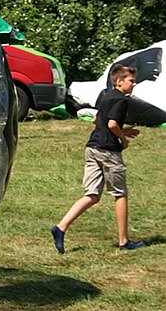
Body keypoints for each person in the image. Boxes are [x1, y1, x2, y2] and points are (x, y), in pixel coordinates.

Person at [51, 65, 144, 253]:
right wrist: (123, 139)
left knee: (92, 195)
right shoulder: (121, 100)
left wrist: (123, 129)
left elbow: (97, 121)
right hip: (108, 151)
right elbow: (111, 124)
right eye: (131, 80)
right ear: (119, 81)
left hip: (92, 148)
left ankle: (60, 227)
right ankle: (124, 241)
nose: (134, 84)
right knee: (120, 194)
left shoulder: (105, 96)